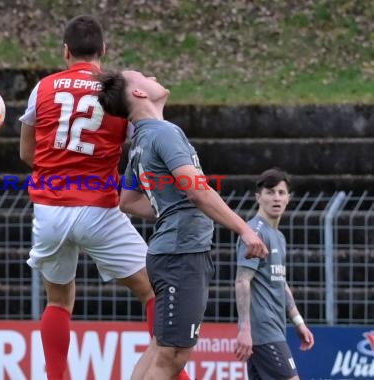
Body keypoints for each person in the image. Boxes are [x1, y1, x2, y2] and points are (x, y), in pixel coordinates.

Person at [19, 15, 191, 380]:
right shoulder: (117, 89)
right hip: (98, 207)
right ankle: (175, 375)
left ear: (65, 51)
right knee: (153, 291)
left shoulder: (43, 88)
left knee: (58, 300)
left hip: (49, 210)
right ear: (104, 50)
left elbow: (27, 154)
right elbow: (143, 141)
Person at [95, 69, 269, 379]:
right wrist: (244, 229)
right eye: (143, 75)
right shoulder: (163, 132)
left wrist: (169, 207)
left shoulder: (141, 140)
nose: (152, 75)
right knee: (172, 356)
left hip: (171, 252)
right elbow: (198, 190)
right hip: (181, 255)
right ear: (138, 94)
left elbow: (128, 201)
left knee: (160, 348)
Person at [234, 168, 314, 379]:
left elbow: (280, 282)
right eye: (270, 192)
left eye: (281, 192)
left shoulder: (277, 236)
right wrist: (244, 329)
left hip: (275, 330)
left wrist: (298, 322)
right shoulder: (254, 234)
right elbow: (242, 281)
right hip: (263, 332)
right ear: (258, 197)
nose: (276, 198)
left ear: (289, 198)